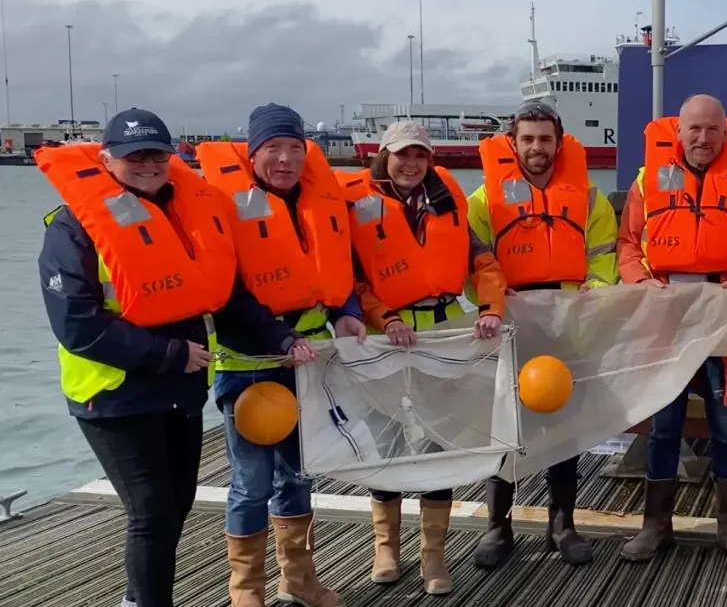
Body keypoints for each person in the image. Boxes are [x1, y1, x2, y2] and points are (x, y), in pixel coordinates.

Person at [35, 109, 305, 607]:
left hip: (179, 388)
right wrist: (168, 354)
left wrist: (281, 338)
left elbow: (228, 296)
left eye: (157, 153)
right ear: (106, 159)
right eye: (134, 155)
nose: (148, 164)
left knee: (176, 504)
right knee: (152, 510)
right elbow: (76, 323)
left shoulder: (192, 214)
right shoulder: (72, 228)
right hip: (111, 392)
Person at [196, 103, 362, 607]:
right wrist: (280, 340)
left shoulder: (321, 203)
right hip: (250, 367)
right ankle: (245, 588)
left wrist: (347, 313)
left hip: (308, 366)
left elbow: (339, 267)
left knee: (297, 474)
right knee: (250, 482)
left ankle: (298, 579)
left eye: (295, 148)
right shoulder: (224, 206)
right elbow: (226, 295)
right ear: (252, 155)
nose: (286, 160)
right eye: (273, 149)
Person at [339, 120, 507, 595]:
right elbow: (350, 280)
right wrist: (383, 316)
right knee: (386, 439)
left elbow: (484, 263)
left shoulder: (449, 203)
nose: (411, 163)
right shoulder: (357, 206)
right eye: (401, 154)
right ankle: (385, 547)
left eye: (420, 155)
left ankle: (433, 554)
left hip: (442, 335)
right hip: (382, 339)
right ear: (384, 156)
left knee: (440, 442)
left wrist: (492, 308)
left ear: (430, 160)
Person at [615, 93, 727, 565]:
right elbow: (627, 245)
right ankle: (655, 525)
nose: (703, 139)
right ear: (677, 133)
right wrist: (642, 282)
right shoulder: (648, 180)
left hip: (722, 322)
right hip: (666, 320)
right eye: (694, 129)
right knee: (664, 428)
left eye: (712, 130)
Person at [466, 101, 619, 569]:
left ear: (559, 142)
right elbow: (471, 264)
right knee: (504, 428)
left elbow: (604, 258)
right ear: (512, 143)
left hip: (568, 324)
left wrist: (595, 290)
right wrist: (493, 295)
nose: (537, 148)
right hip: (508, 325)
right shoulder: (482, 201)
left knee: (564, 426)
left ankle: (563, 524)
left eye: (545, 139)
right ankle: (498, 526)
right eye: (527, 139)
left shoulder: (590, 199)